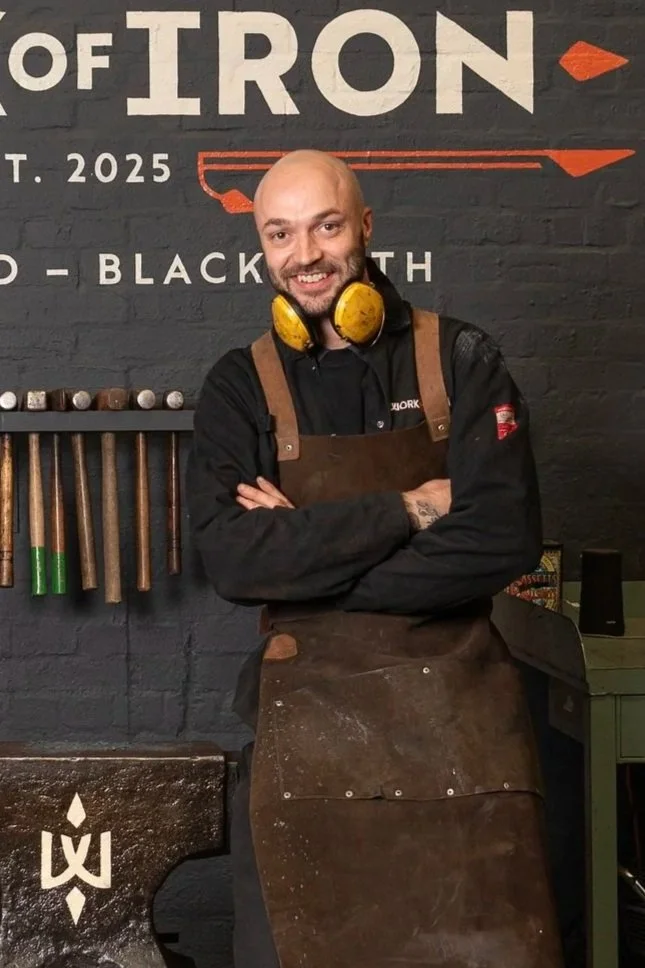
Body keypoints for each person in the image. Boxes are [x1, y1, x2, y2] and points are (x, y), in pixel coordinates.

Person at [187, 149, 564, 968]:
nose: (305, 254)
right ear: (261, 247)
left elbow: (498, 539)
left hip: (461, 729)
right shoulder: (238, 386)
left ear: (363, 226)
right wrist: (409, 508)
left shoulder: (459, 358)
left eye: (325, 225)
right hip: (308, 734)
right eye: (279, 234)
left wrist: (311, 557)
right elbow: (233, 560)